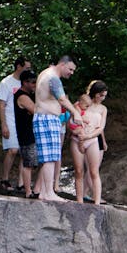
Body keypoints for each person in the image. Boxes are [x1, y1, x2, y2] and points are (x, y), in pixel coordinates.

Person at [33, 54, 82, 202]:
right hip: (47, 119)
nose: (71, 73)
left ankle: (44, 192)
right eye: (70, 69)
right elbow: (61, 98)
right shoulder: (53, 77)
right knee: (49, 158)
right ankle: (48, 192)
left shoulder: (45, 73)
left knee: (52, 157)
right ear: (63, 64)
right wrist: (75, 112)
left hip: (48, 119)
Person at [0, 56, 31, 192]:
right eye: (27, 68)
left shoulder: (27, 83)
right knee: (13, 150)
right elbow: (1, 104)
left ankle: (21, 183)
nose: (29, 70)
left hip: (24, 121)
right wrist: (3, 124)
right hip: (10, 119)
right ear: (19, 66)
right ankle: (4, 179)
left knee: (24, 151)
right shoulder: (7, 82)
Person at [73, 80, 108, 204]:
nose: (102, 98)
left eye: (104, 95)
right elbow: (71, 120)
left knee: (94, 170)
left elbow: (101, 127)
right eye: (100, 95)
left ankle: (97, 201)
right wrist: (77, 131)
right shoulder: (82, 103)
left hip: (92, 138)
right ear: (95, 93)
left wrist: (89, 137)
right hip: (78, 137)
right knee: (79, 170)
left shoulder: (103, 109)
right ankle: (79, 200)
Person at [12, 70, 38, 196]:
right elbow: (35, 110)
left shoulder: (29, 94)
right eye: (32, 82)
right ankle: (28, 191)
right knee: (28, 163)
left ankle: (31, 189)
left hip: (30, 132)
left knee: (30, 162)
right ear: (25, 82)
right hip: (26, 133)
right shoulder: (21, 95)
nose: (35, 84)